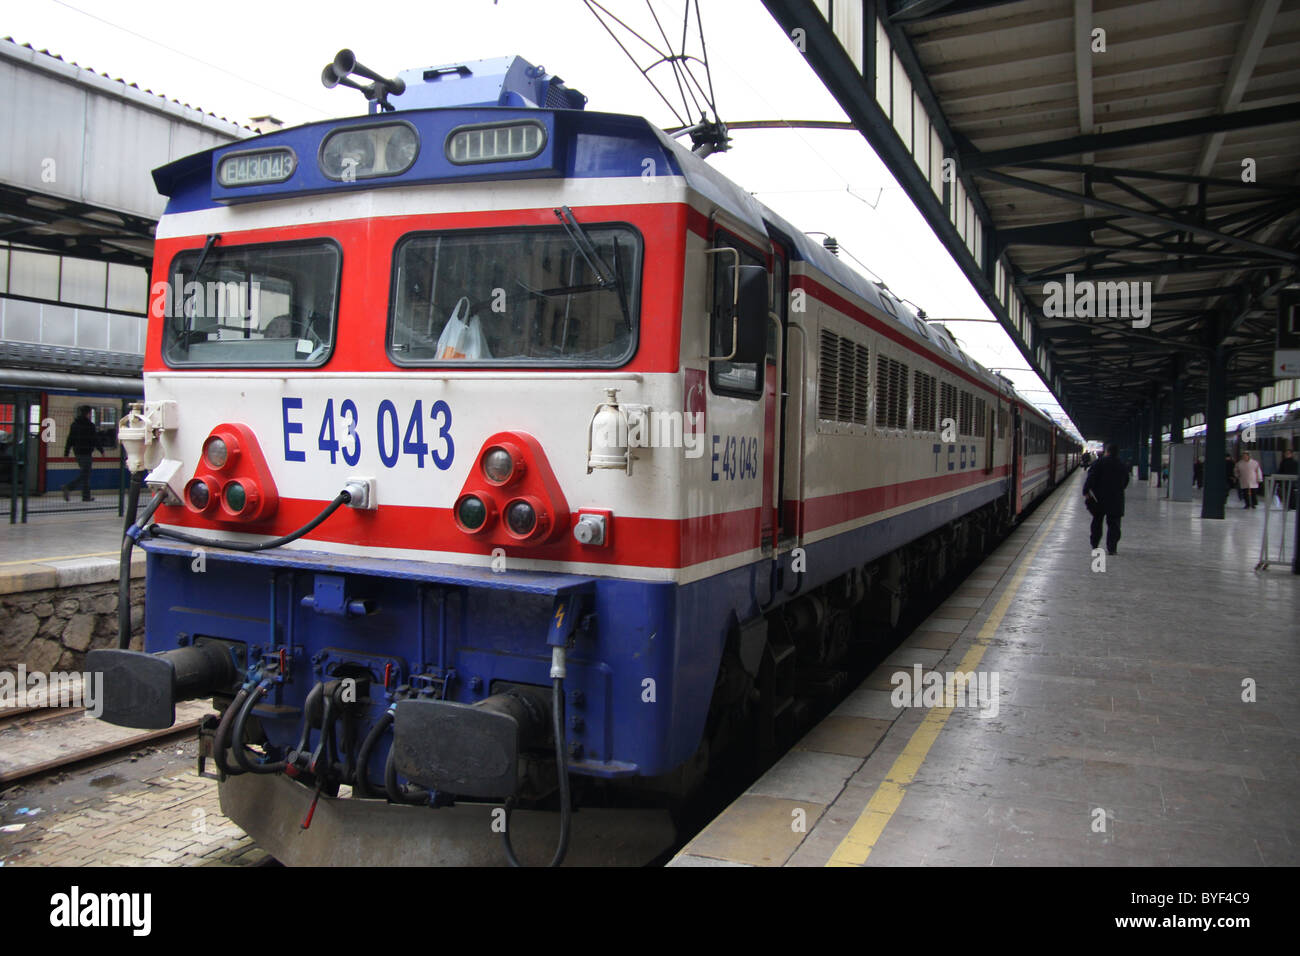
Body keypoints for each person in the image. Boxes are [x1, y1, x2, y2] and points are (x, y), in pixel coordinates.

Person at [1083, 444, 1130, 555]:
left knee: (1097, 522)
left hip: (1099, 499)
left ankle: (1095, 545)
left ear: (1107, 452)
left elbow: (1091, 478)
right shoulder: (1122, 465)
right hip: (1116, 499)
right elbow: (1125, 481)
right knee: (1114, 524)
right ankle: (1112, 548)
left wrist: (1086, 491)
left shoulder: (1098, 463)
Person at [62, 405, 104, 502]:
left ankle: (86, 496)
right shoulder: (90, 426)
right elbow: (95, 440)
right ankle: (68, 487)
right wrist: (101, 450)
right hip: (87, 452)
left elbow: (70, 439)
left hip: (77, 452)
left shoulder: (75, 424)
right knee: (85, 474)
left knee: (85, 474)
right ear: (88, 413)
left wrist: (66, 453)